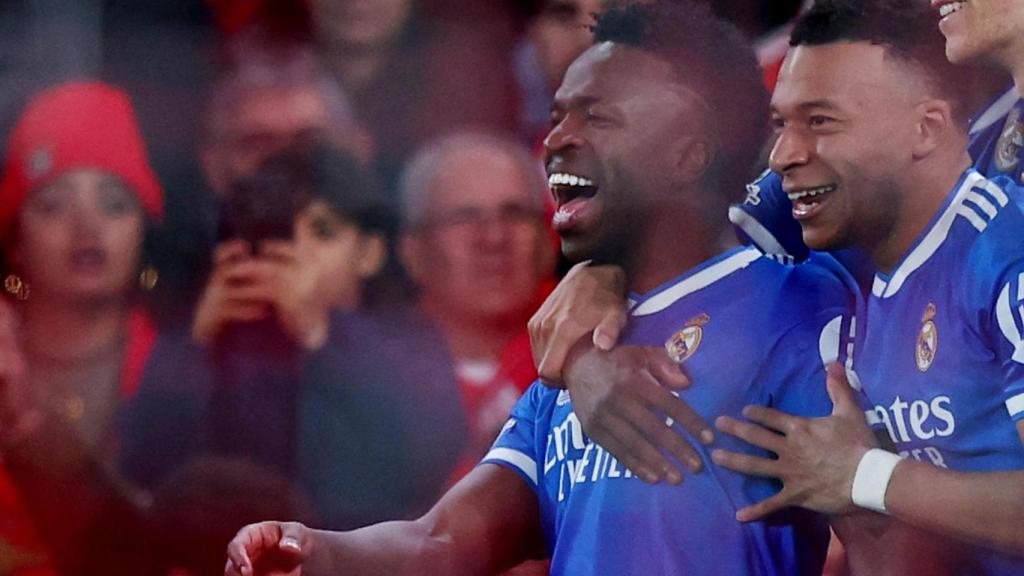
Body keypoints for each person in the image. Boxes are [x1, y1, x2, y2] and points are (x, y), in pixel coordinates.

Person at [225, 2, 856, 575]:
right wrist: (323, 553)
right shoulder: (567, 360)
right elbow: (442, 542)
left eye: (597, 117)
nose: (556, 142)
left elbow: (881, 542)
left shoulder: (799, 313)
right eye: (556, 117)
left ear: (688, 155)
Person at [704, 2, 1024, 573]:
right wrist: (597, 284)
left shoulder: (1000, 246)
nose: (785, 155)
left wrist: (862, 476)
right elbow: (693, 256)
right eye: (782, 125)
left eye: (821, 121)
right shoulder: (860, 256)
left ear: (928, 128)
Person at [0, 81, 164, 576]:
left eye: (114, 203)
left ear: (142, 227)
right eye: (53, 204)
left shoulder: (180, 367)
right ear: (15, 240)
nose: (87, 226)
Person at [398, 131, 556, 479]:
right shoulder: (367, 374)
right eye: (465, 217)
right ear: (413, 252)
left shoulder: (587, 351)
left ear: (546, 241)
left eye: (514, 214)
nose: (494, 238)